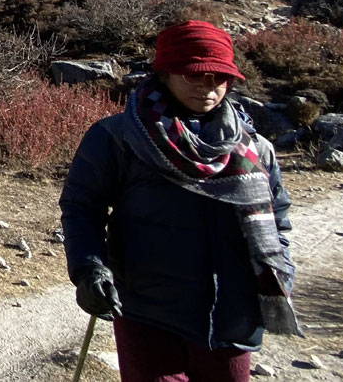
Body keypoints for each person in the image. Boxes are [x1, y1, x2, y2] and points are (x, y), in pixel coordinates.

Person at [60, 20, 303, 382]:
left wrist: (277, 267)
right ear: (165, 74)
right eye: (194, 75)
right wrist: (89, 269)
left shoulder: (255, 149)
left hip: (232, 313)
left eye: (218, 78)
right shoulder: (119, 137)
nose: (208, 87)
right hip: (146, 308)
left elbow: (277, 217)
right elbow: (82, 207)